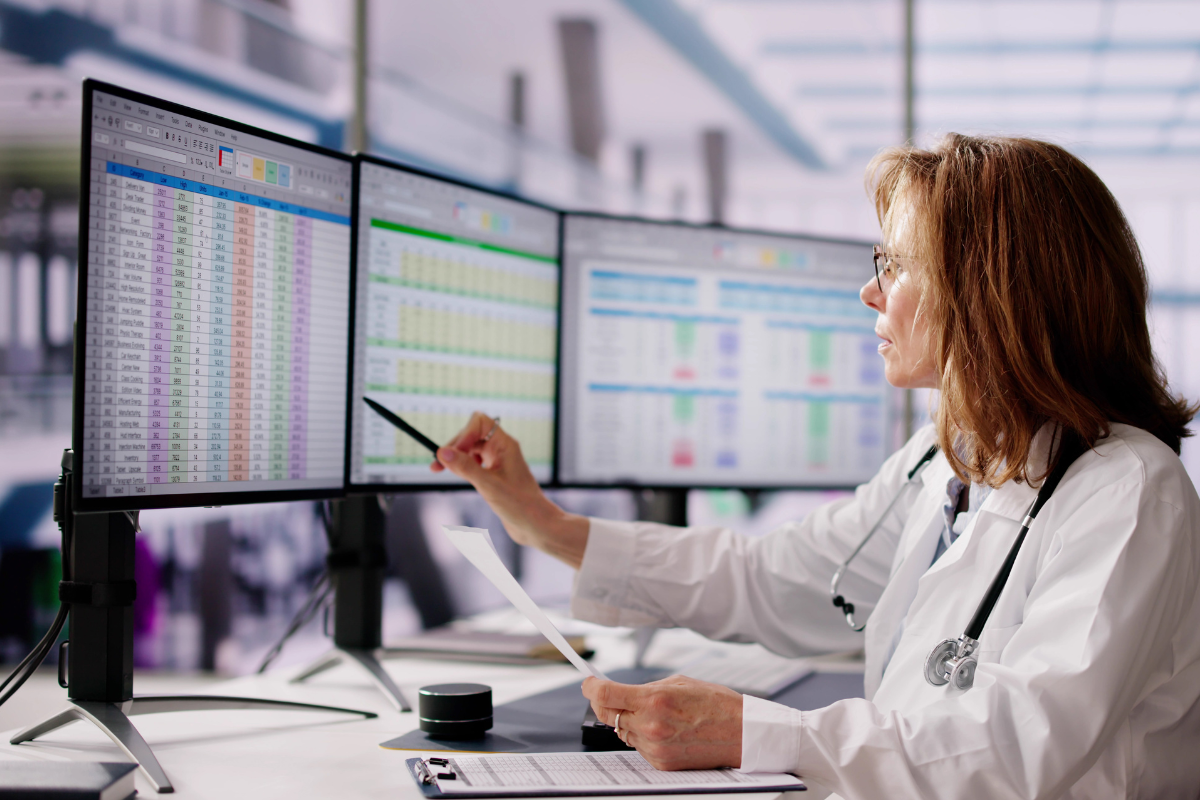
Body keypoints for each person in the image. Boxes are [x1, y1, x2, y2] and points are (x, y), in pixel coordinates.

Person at [431, 134, 1200, 799]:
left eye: (896, 266)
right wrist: (544, 523)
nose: (870, 292)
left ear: (986, 293)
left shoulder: (1128, 493)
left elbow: (1016, 750)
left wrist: (762, 734)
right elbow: (780, 576)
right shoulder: (948, 461)